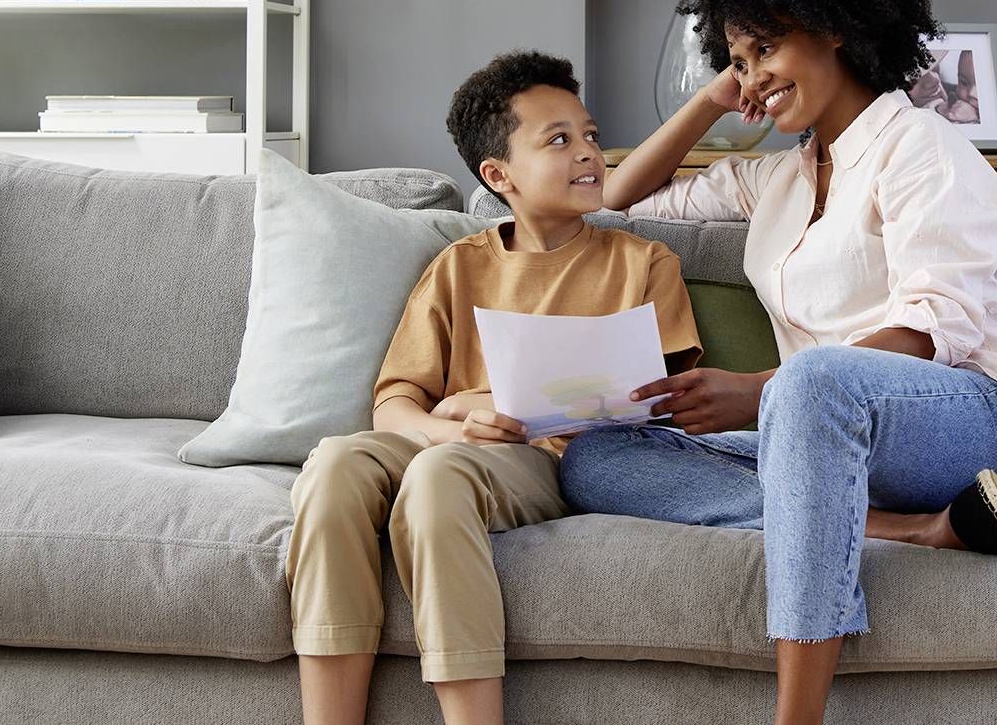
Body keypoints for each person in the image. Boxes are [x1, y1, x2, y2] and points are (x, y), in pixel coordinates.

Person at [559, 0, 997, 725]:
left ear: (833, 24)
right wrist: (717, 95)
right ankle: (911, 531)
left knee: (813, 383)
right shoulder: (778, 180)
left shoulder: (919, 147)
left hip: (958, 419)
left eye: (765, 48)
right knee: (595, 459)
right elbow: (614, 195)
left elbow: (935, 330)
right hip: (815, 432)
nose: (752, 77)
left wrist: (761, 391)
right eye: (738, 60)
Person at [285, 51, 701, 725]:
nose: (588, 153)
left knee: (441, 475)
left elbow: (661, 396)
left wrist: (476, 402)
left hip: (560, 456)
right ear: (497, 174)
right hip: (460, 445)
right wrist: (454, 424)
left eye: (590, 134)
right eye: (559, 140)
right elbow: (394, 405)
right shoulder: (457, 268)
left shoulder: (643, 263)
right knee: (336, 462)